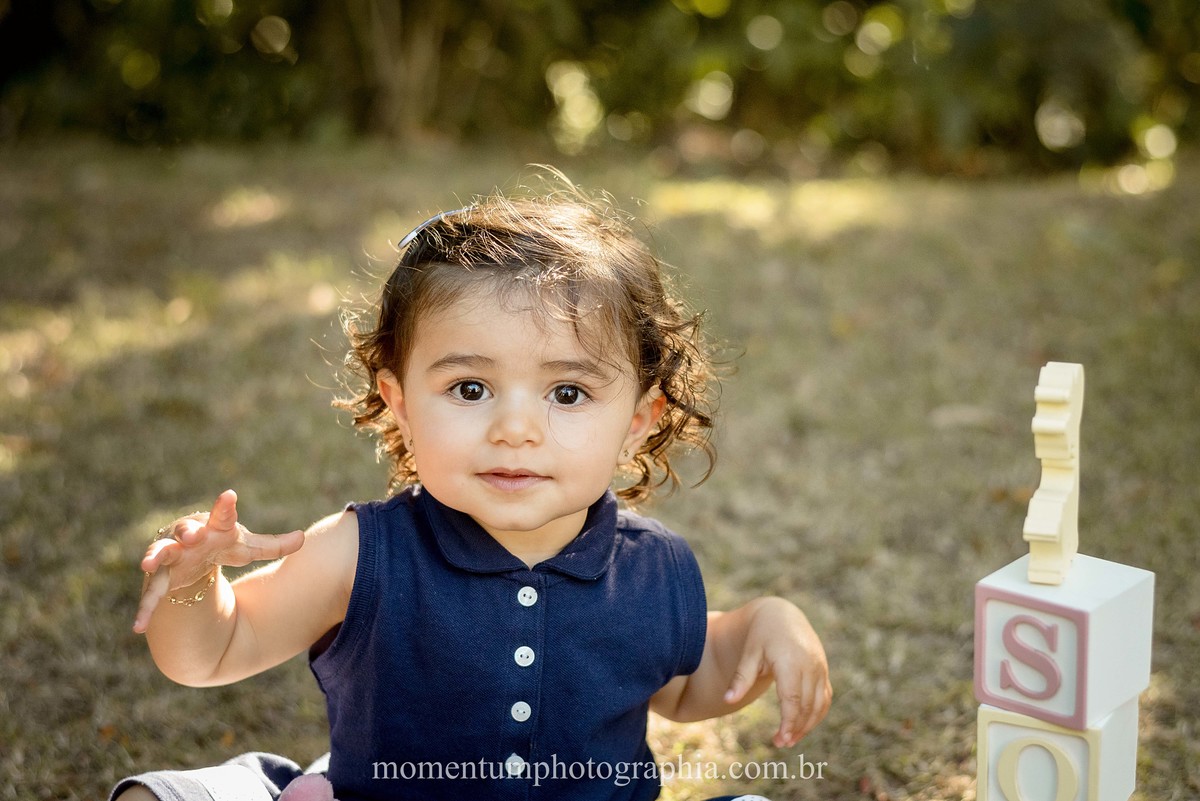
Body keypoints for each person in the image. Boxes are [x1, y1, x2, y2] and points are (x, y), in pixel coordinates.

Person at [114, 175, 832, 801]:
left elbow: (685, 683)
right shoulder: (362, 553)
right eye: (470, 387)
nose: (515, 427)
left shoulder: (651, 567)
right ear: (398, 401)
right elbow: (212, 648)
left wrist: (767, 624)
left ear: (640, 420)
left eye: (569, 393)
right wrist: (193, 583)